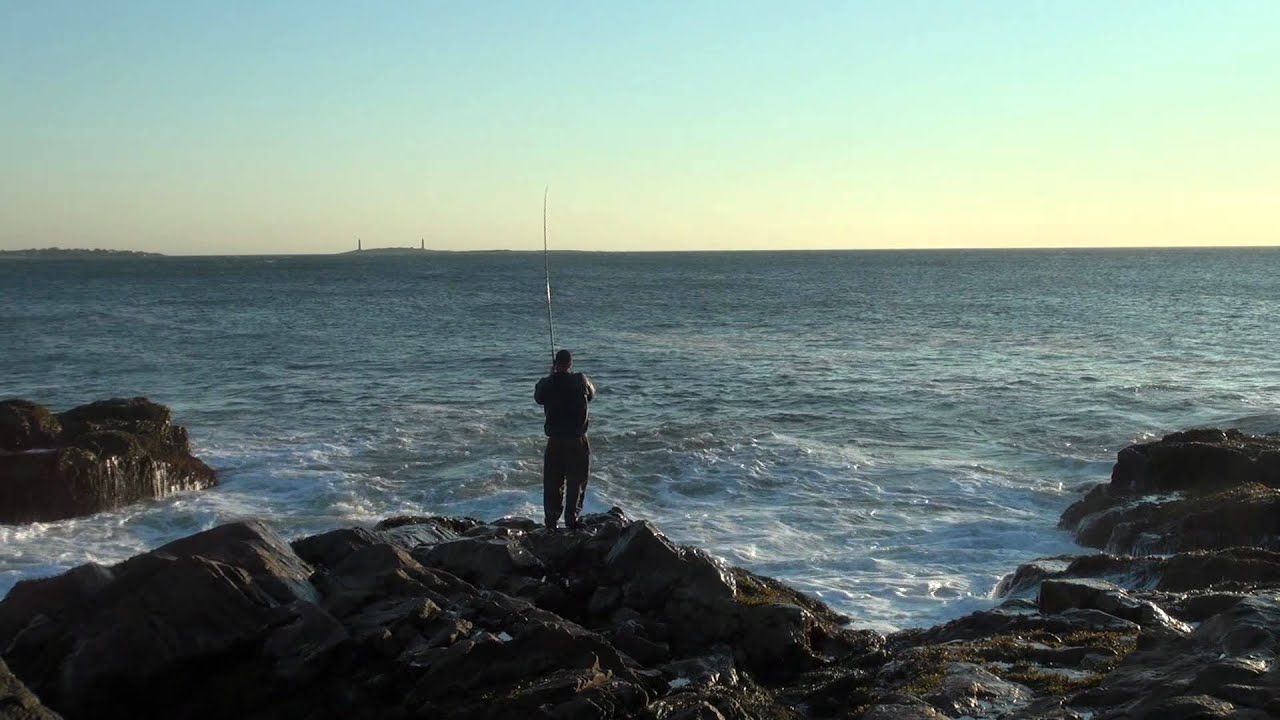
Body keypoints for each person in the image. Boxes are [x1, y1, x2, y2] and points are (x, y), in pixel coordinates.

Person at [534, 349, 596, 530]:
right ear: (570, 364)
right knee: (577, 481)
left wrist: (550, 376)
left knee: (552, 482)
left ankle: (551, 520)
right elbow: (592, 394)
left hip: (554, 440)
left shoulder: (546, 383)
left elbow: (538, 397)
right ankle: (571, 519)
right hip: (577, 439)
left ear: (555, 363)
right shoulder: (580, 380)